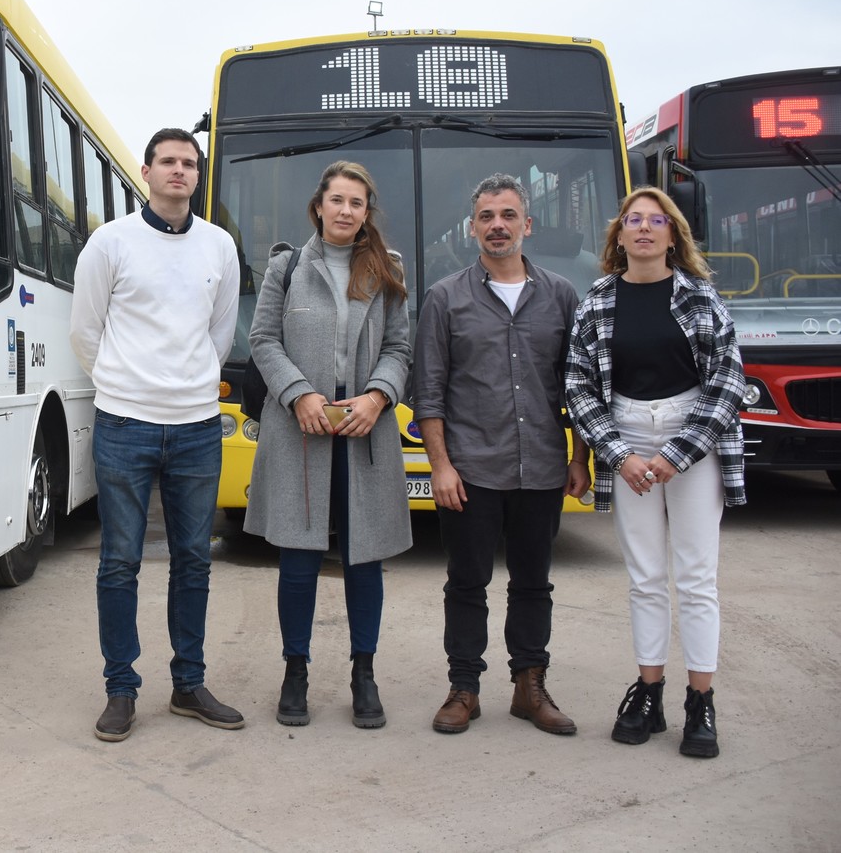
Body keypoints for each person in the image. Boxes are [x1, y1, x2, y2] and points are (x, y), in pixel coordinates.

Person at [70, 127, 244, 742]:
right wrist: (125, 384)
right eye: (167, 162)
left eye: (188, 163)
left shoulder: (220, 246)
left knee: (194, 559)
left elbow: (220, 334)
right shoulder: (111, 242)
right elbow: (85, 329)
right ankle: (121, 690)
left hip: (197, 426)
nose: (179, 171)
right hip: (125, 424)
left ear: (198, 176)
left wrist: (187, 385)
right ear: (146, 172)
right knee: (119, 562)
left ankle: (188, 684)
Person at [564, 187, 744, 758]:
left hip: (694, 439)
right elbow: (578, 386)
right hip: (628, 439)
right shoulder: (596, 301)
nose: (644, 228)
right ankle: (648, 690)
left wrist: (678, 453)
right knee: (644, 576)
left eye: (656, 221)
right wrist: (620, 454)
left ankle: (701, 702)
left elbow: (728, 380)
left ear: (673, 235)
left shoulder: (701, 298)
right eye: (633, 220)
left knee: (695, 578)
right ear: (618, 236)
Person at [413, 173, 592, 736]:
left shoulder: (562, 295)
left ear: (527, 224)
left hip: (540, 466)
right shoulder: (445, 298)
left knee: (533, 583)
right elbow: (429, 391)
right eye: (487, 217)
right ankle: (464, 687)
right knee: (466, 583)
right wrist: (440, 466)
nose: (498, 226)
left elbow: (580, 385)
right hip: (470, 471)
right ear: (473, 229)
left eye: (508, 215)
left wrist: (580, 458)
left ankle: (528, 687)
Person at [244, 160, 412, 729]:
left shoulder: (386, 269)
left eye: (356, 203)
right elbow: (263, 339)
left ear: (367, 212)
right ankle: (296, 671)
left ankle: (364, 674)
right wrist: (298, 395)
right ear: (319, 205)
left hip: (365, 429)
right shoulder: (287, 266)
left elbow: (399, 349)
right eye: (336, 200)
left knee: (366, 560)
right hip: (302, 430)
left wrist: (376, 398)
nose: (345, 211)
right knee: (298, 559)